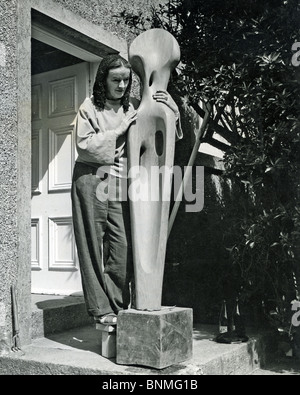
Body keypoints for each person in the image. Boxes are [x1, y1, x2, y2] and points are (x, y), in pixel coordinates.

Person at [71, 54, 182, 325]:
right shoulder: (89, 107)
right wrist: (120, 129)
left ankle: (117, 307)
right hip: (91, 181)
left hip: (123, 186)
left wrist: (173, 111)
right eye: (115, 80)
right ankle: (101, 311)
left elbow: (159, 127)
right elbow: (83, 145)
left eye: (125, 80)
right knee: (91, 245)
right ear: (103, 81)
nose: (121, 86)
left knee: (121, 248)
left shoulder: (134, 104)